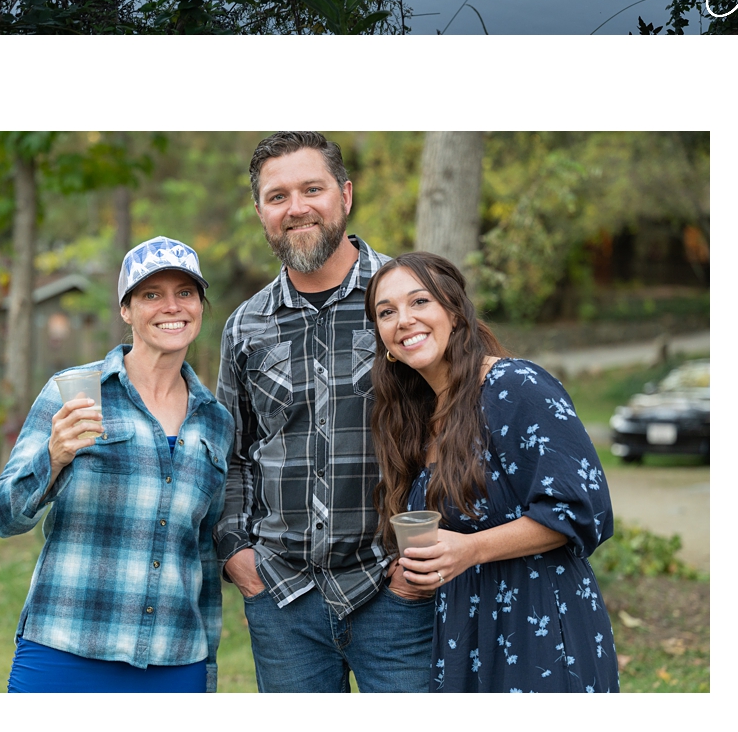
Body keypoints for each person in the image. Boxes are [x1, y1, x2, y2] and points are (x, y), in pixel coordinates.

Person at [215, 132, 435, 692]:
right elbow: (232, 454)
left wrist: (422, 558)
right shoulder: (245, 325)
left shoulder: (404, 302)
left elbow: (453, 429)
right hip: (283, 599)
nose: (297, 208)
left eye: (312, 189)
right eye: (278, 196)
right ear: (260, 211)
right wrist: (237, 555)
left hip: (394, 591)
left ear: (345, 195)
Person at [368, 251, 620, 692]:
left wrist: (471, 550)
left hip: (538, 623)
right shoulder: (420, 416)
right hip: (463, 629)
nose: (403, 320)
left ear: (455, 311)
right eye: (386, 312)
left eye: (419, 302)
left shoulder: (515, 385)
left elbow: (583, 509)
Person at [0, 238, 232, 692]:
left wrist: (208, 672)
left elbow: (204, 555)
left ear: (201, 305)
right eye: (151, 294)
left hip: (174, 660)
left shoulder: (216, 423)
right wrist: (54, 457)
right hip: (65, 646)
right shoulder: (73, 394)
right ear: (126, 310)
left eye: (185, 293)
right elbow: (4, 516)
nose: (171, 306)